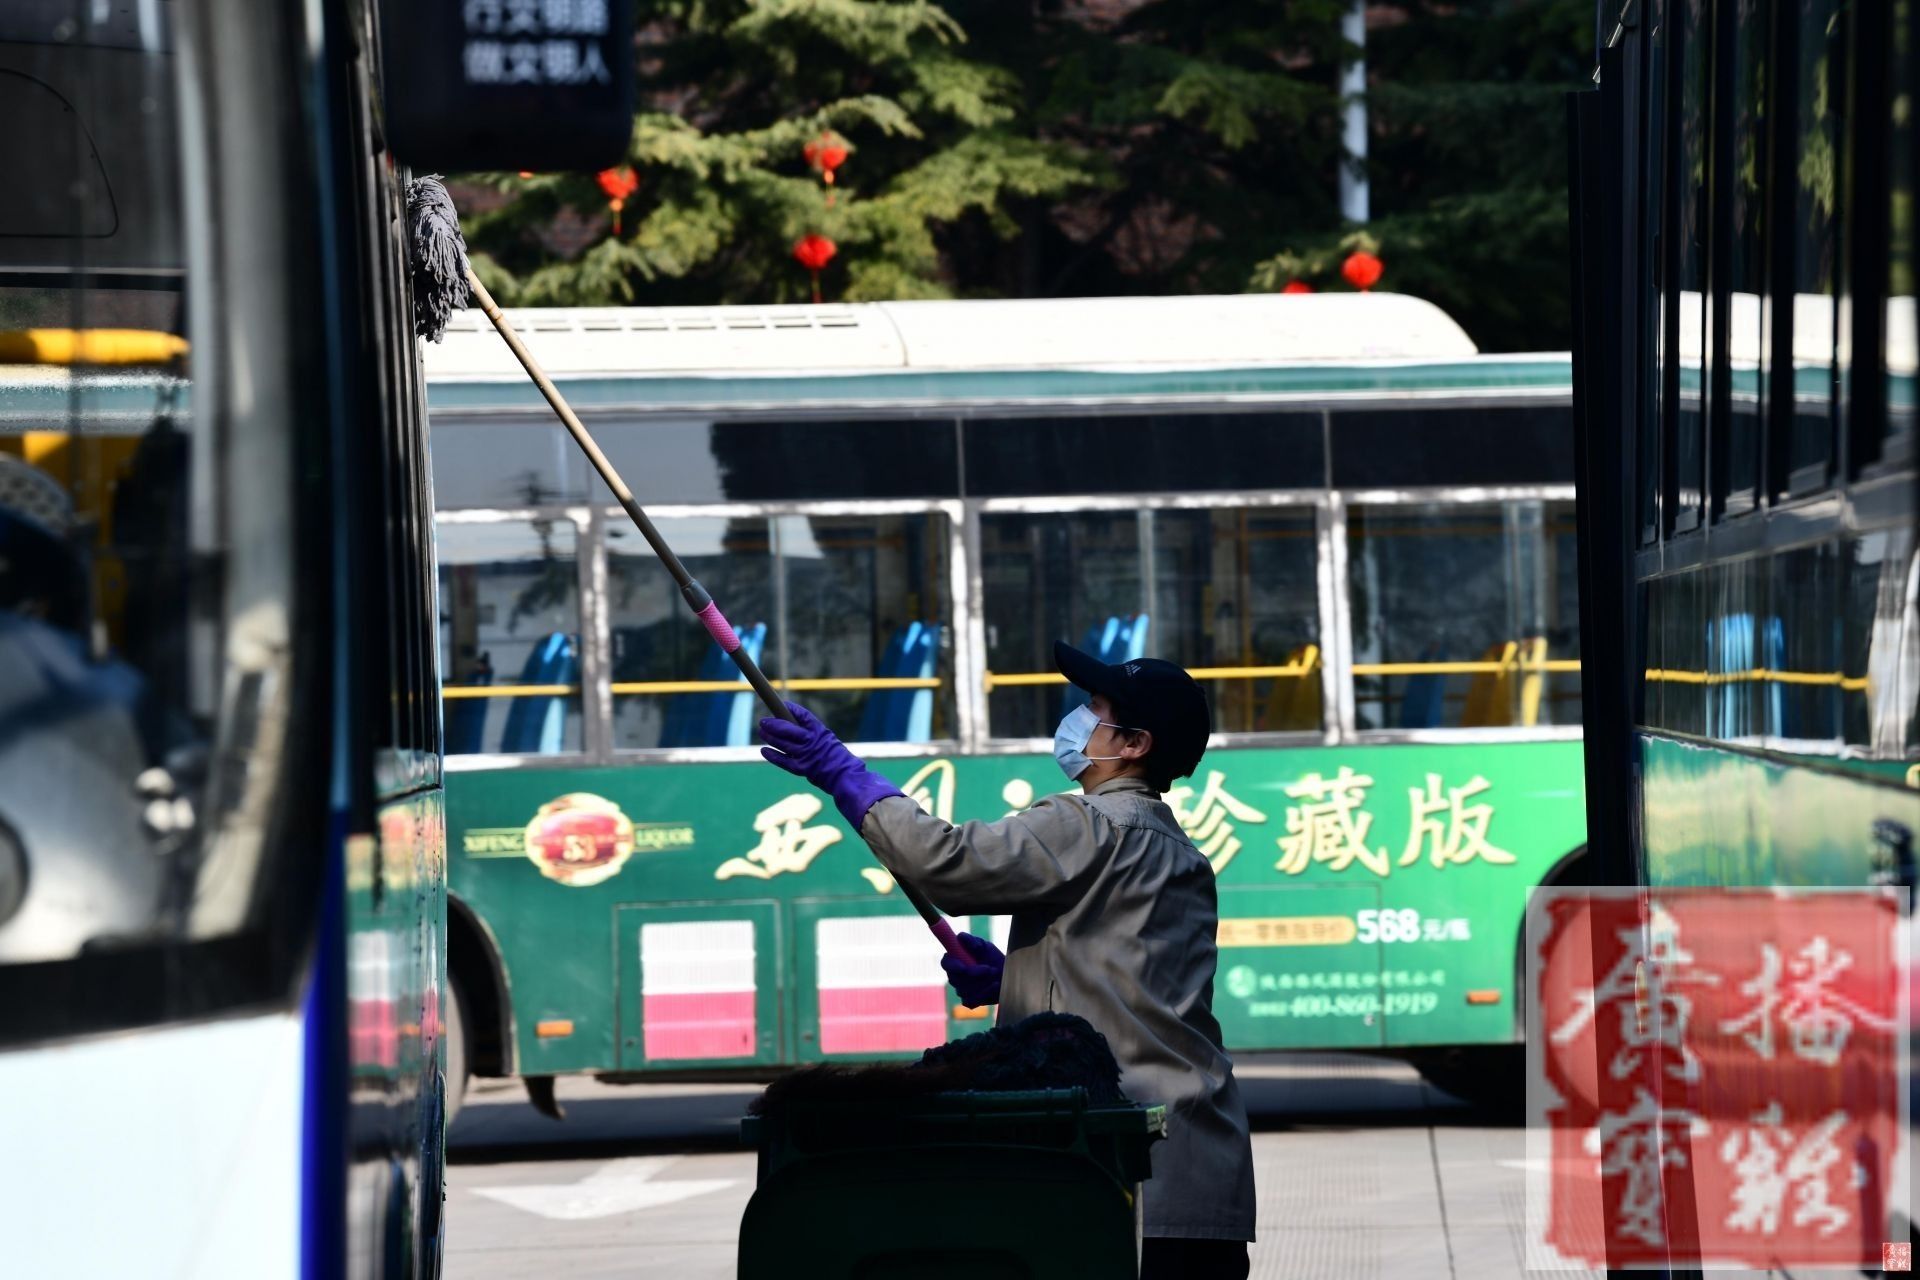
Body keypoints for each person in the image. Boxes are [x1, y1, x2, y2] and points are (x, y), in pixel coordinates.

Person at [760, 640, 1257, 1279]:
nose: (1079, 719)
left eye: (1094, 709)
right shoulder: (1178, 851)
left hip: (1124, 1169)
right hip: (1199, 1175)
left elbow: (946, 864)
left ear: (1133, 744)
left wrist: (845, 775)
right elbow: (1129, 983)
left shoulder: (1092, 823)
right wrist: (1014, 978)